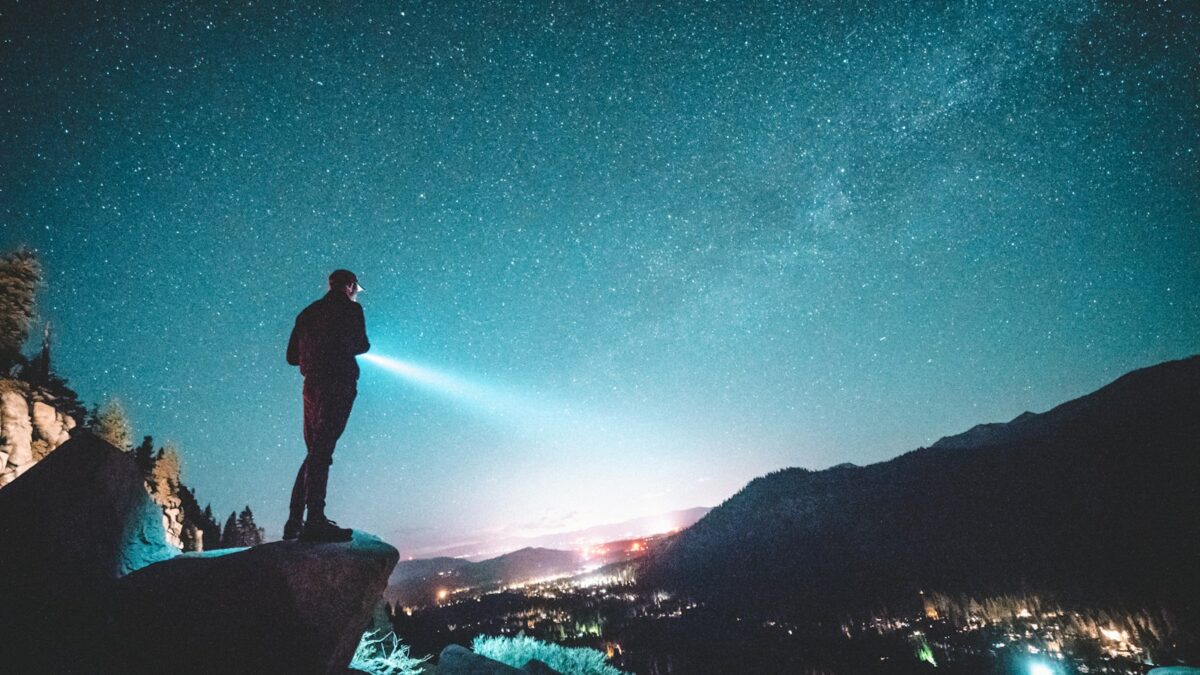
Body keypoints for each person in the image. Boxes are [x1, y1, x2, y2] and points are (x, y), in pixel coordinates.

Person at [284, 269, 370, 542]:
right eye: (355, 288)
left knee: (314, 451)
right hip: (339, 381)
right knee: (323, 449)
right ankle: (315, 521)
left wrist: (315, 353)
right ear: (350, 286)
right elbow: (362, 345)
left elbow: (291, 357)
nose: (356, 293)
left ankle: (295, 521)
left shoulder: (307, 313)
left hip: (311, 386)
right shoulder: (350, 309)